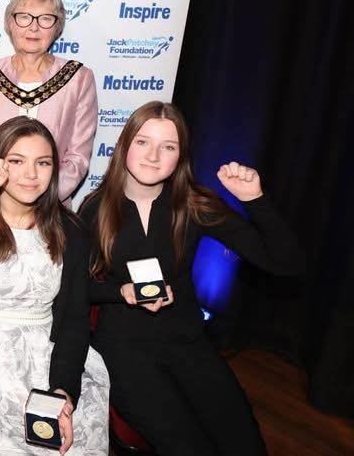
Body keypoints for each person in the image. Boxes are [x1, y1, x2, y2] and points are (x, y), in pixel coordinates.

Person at [79, 101, 303, 455]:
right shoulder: (95, 209)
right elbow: (76, 290)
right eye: (143, 142)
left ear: (180, 157)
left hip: (187, 341)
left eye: (168, 147)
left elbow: (286, 264)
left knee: (245, 443)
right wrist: (120, 292)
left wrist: (255, 200)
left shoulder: (194, 204)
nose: (153, 156)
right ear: (124, 146)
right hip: (124, 350)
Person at [0, 116, 109, 455]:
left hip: (47, 356)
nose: (31, 174)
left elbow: (73, 320)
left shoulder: (70, 229)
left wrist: (62, 391)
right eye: (16, 161)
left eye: (43, 162)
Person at [0, 0, 98, 203]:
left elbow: (77, 157)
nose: (34, 28)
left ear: (57, 27)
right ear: (9, 23)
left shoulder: (78, 78)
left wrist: (43, 199)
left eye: (45, 19)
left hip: (50, 208)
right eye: (24, 17)